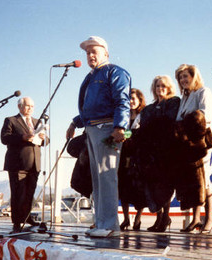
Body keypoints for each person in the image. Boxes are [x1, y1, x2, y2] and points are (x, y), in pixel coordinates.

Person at [66, 36, 131, 238]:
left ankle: (111, 224)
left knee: (107, 176)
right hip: (91, 129)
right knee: (97, 179)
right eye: (87, 53)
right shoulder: (90, 77)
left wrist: (121, 126)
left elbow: (122, 100)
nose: (90, 55)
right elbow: (90, 107)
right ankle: (101, 221)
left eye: (94, 51)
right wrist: (74, 122)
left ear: (106, 53)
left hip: (107, 128)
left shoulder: (115, 72)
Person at [134, 76, 180, 232]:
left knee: (165, 186)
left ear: (169, 87)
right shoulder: (149, 108)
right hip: (150, 152)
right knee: (152, 186)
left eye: (163, 86)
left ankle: (166, 217)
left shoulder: (174, 102)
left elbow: (167, 122)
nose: (160, 88)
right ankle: (159, 217)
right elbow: (141, 126)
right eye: (157, 86)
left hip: (165, 151)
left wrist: (152, 126)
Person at [175, 64, 212, 234]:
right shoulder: (184, 97)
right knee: (193, 182)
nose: (183, 80)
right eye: (181, 77)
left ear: (194, 76)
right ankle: (195, 219)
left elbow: (205, 116)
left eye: (186, 76)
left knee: (204, 181)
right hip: (186, 145)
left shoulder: (203, 92)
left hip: (200, 143)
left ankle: (210, 219)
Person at [1, 97, 47, 233]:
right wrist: (22, 137)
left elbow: (46, 141)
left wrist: (44, 139)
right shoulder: (11, 120)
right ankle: (17, 221)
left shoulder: (37, 122)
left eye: (32, 106)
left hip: (34, 163)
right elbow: (4, 138)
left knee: (29, 193)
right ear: (20, 106)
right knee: (18, 193)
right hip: (18, 164)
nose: (30, 109)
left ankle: (27, 217)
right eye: (27, 106)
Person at [119, 88, 146, 231]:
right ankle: (126, 219)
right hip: (124, 154)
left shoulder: (144, 115)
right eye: (129, 98)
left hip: (138, 155)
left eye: (133, 98)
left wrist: (130, 135)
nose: (131, 101)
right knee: (123, 187)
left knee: (138, 188)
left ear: (140, 100)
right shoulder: (123, 115)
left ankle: (138, 219)